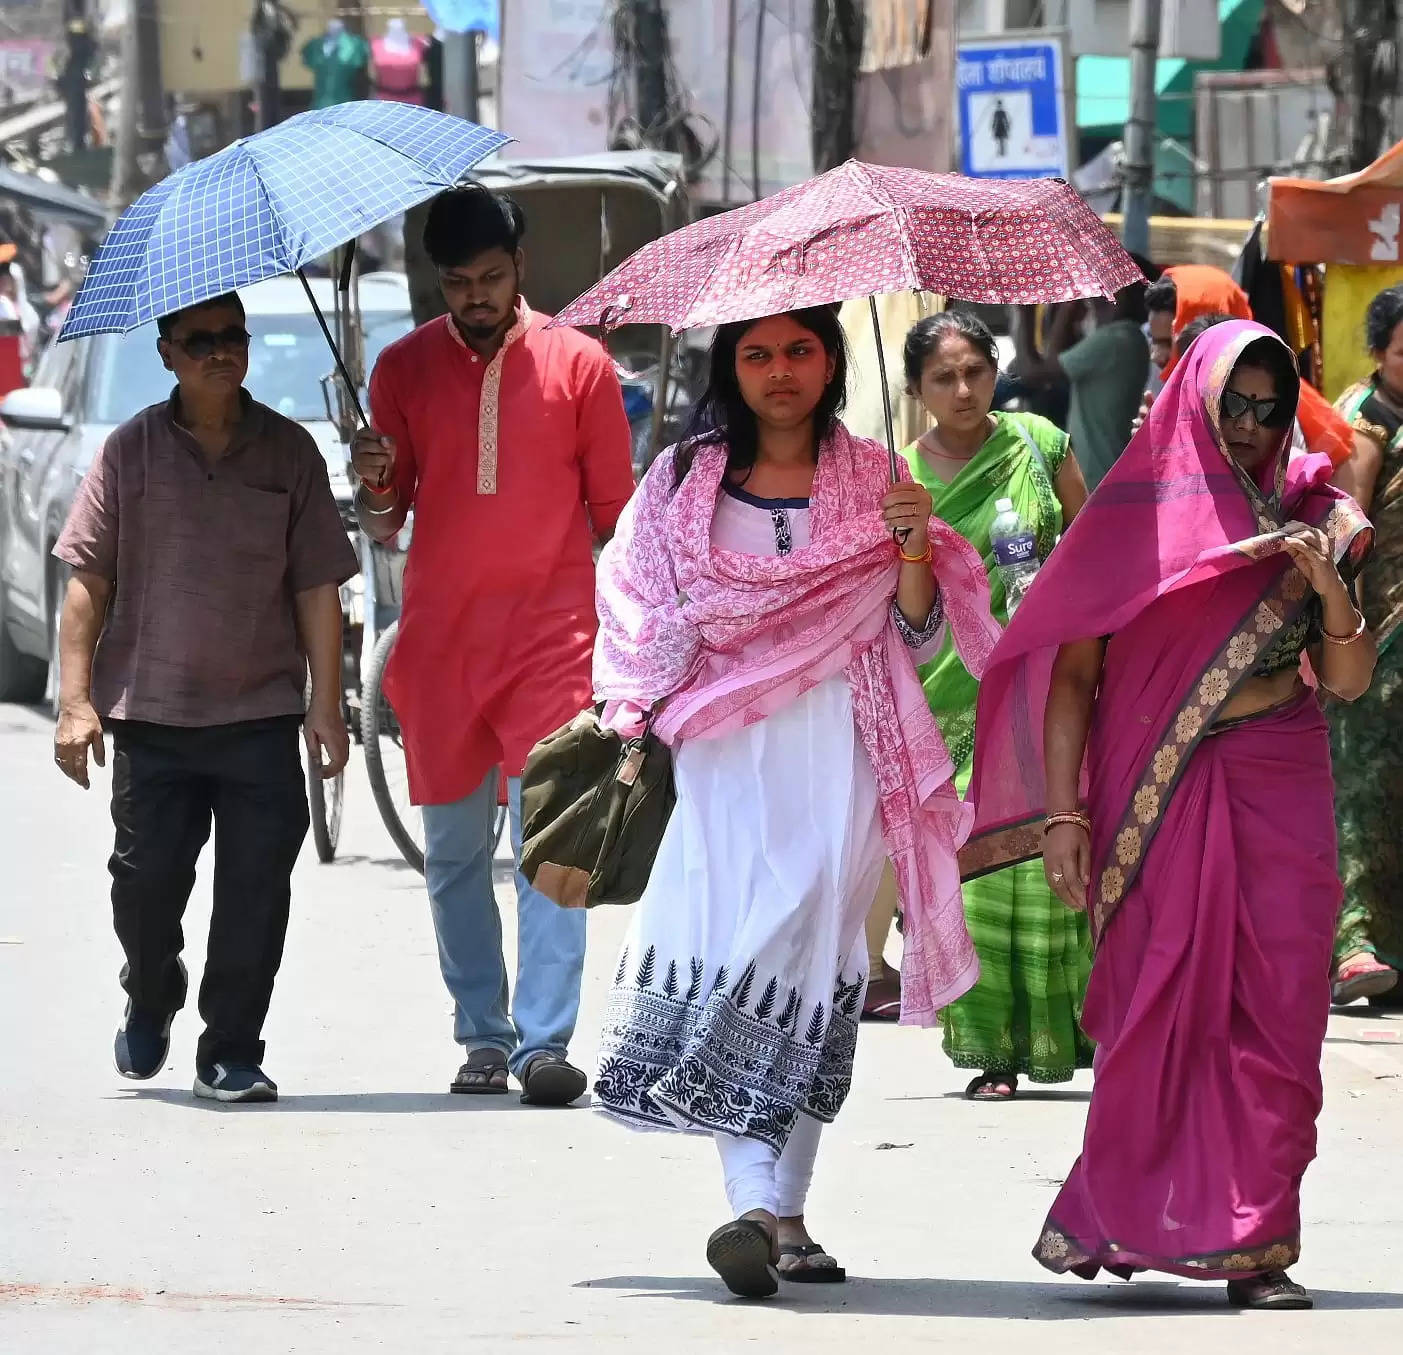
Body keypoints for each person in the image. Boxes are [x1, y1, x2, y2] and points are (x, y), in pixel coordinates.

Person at [963, 319, 1375, 1309]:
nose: (1246, 424)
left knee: (1277, 1010)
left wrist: (1325, 590)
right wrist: (1059, 815)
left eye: (1267, 408)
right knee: (1156, 1004)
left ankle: (1255, 1244)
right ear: (1191, 396)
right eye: (1230, 403)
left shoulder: (1317, 512)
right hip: (1155, 783)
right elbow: (1073, 675)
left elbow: (1350, 677)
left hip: (1279, 770)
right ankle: (1123, 1215)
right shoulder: (1133, 517)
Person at [591, 305, 1000, 1297]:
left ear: (830, 359)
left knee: (818, 956)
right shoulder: (682, 478)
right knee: (748, 947)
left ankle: (782, 1201)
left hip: (845, 739)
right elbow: (635, 593)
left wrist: (910, 545)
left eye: (799, 349)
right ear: (729, 365)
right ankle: (757, 1206)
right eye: (757, 352)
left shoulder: (874, 476)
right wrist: (636, 697)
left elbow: (914, 634)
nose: (779, 371)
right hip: (726, 745)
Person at [352, 186, 635, 1105]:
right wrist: (374, 482)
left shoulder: (581, 366)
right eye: (456, 282)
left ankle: (543, 1043)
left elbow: (619, 525)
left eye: (490, 278)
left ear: (520, 269)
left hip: (553, 644)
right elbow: (385, 520)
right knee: (454, 858)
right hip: (438, 649)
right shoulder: (398, 369)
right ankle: (482, 1033)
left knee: (551, 847)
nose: (474, 297)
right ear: (437, 282)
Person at [52, 292, 357, 1104]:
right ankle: (151, 990)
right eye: (199, 341)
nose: (220, 353)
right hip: (152, 714)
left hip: (259, 715)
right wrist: (76, 700)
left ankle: (230, 1049)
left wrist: (327, 704)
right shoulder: (128, 451)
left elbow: (318, 588)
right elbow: (88, 582)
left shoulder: (290, 453)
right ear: (167, 354)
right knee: (144, 888)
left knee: (257, 892)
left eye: (232, 338)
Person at [899, 311, 1093, 1098]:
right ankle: (993, 1052)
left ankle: (1073, 1031)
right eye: (942, 377)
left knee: (1057, 857)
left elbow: (1091, 547)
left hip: (1050, 686)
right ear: (915, 390)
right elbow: (908, 609)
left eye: (975, 370)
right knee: (978, 873)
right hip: (956, 694)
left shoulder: (1037, 444)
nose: (962, 389)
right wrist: (911, 536)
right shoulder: (900, 476)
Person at [1326, 283, 1403, 1006]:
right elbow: (1346, 540)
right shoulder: (1365, 424)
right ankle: (1353, 944)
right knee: (1363, 790)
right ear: (1379, 352)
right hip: (1376, 637)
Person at [1013, 285, 1148, 491]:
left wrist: (1028, 312)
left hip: (1098, 475)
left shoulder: (1115, 338)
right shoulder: (1125, 337)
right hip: (1101, 471)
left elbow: (1036, 373)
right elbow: (1052, 362)